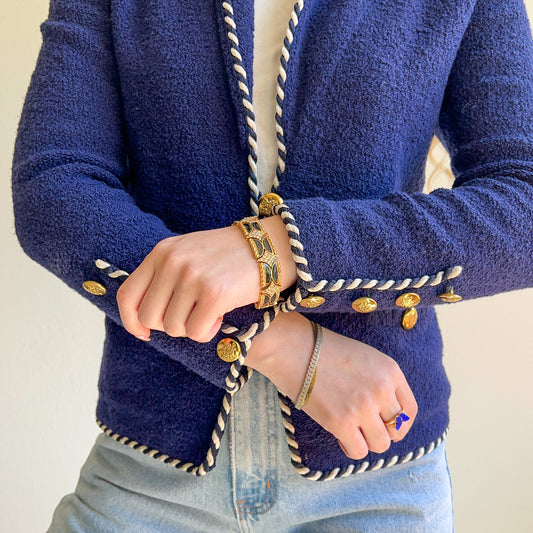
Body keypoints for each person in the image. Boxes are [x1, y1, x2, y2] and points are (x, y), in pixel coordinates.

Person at [11, 0, 533, 531]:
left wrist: (276, 248)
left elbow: (523, 203)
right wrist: (280, 345)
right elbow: (55, 184)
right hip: (148, 474)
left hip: (378, 483)